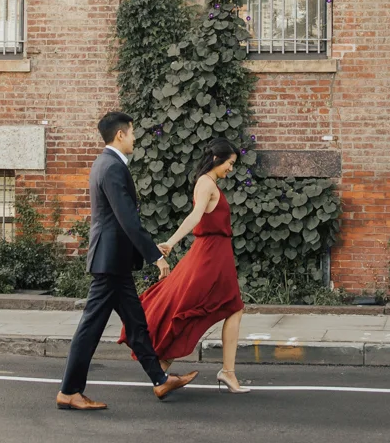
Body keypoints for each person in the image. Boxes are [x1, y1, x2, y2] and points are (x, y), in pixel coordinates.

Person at [56, 111, 199, 411]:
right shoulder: (111, 167)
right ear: (120, 135)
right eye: (132, 132)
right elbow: (127, 221)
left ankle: (159, 379)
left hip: (115, 261)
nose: (135, 138)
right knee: (90, 328)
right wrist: (156, 256)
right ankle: (70, 391)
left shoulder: (106, 164)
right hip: (109, 262)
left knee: (136, 324)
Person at [126, 136, 249, 392]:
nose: (231, 169)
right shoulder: (206, 183)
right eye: (230, 163)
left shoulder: (210, 182)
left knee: (224, 307)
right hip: (210, 255)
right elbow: (195, 215)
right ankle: (217, 372)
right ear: (217, 159)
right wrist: (170, 242)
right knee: (198, 306)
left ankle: (166, 369)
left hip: (216, 254)